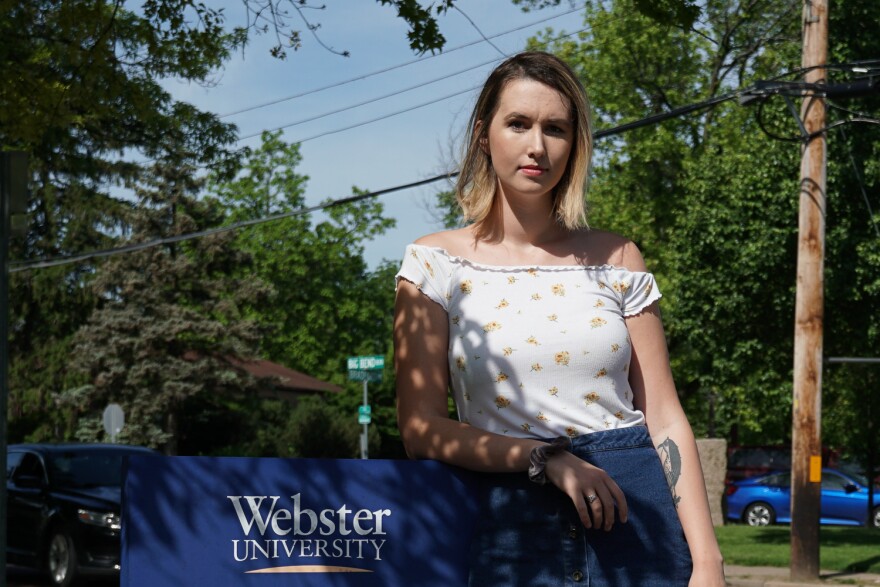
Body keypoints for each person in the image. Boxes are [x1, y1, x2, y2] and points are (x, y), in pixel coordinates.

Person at [393, 51, 725, 586]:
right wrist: (543, 458)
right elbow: (420, 430)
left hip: (635, 515)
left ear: (574, 145)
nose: (536, 146)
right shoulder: (434, 265)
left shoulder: (619, 259)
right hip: (508, 518)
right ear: (484, 134)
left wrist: (708, 562)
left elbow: (664, 417)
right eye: (518, 124)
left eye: (556, 129)